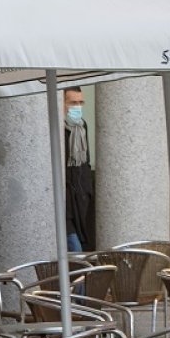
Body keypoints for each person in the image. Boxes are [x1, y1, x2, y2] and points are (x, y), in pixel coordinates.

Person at [63, 87, 94, 252]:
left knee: (80, 247)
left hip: (81, 198)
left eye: (80, 102)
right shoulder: (58, 129)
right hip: (65, 201)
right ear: (62, 104)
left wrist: (87, 186)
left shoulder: (82, 127)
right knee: (76, 249)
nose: (77, 107)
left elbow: (85, 160)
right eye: (73, 102)